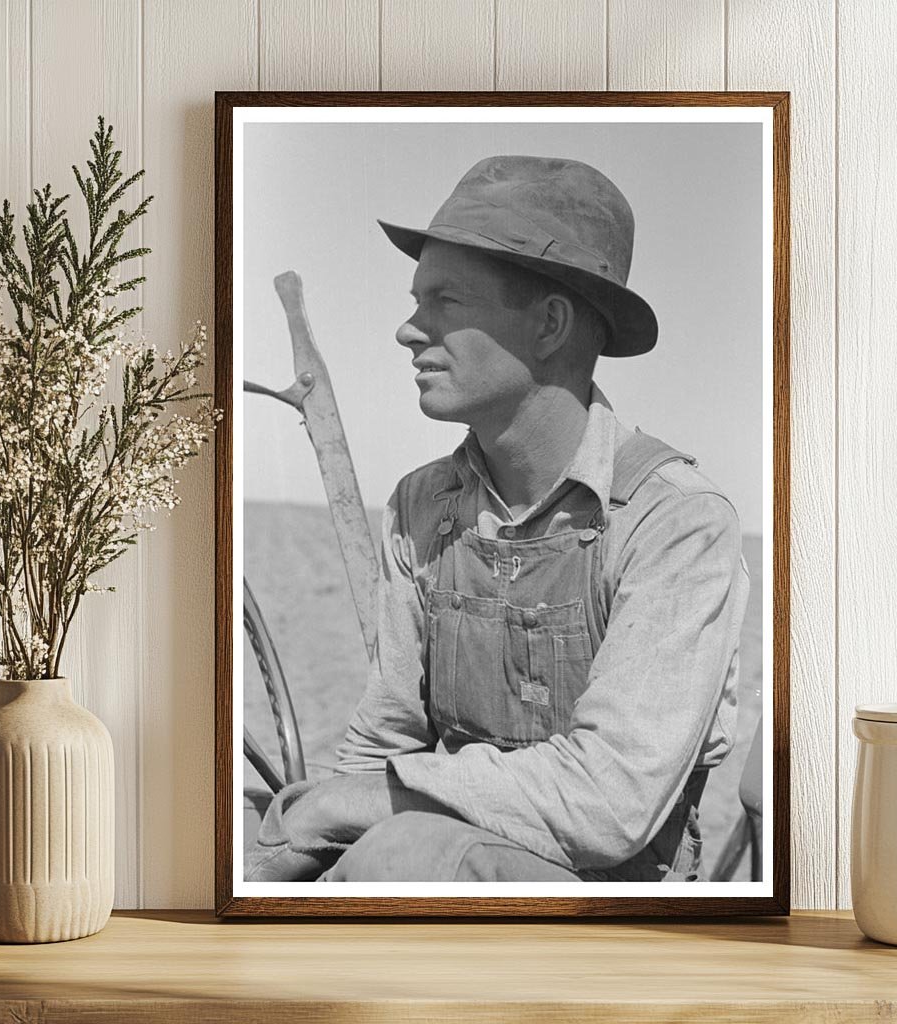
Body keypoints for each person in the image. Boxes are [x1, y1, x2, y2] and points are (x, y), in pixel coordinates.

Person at [246, 154, 751, 883]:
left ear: (548, 324)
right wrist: (300, 840)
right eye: (416, 300)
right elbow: (381, 740)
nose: (408, 331)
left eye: (445, 302)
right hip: (444, 869)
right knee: (242, 830)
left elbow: (606, 804)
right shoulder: (423, 507)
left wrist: (349, 806)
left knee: (399, 852)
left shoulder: (675, 524)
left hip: (619, 915)